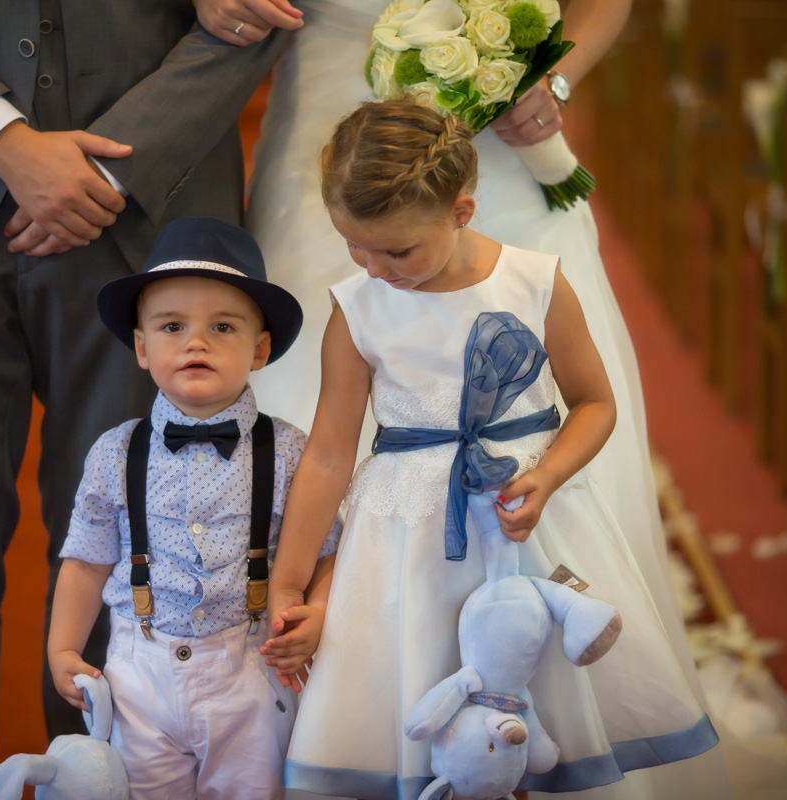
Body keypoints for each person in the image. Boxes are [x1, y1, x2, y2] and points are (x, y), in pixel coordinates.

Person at [0, 4, 291, 798]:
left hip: (154, 215)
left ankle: (105, 782)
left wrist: (113, 169)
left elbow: (259, 11)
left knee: (141, 543)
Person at [260, 100, 730, 799]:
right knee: (423, 704)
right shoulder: (358, 307)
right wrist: (290, 582)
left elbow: (595, 403)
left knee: (535, 707)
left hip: (527, 522)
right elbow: (330, 454)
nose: (375, 268)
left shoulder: (534, 282)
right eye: (355, 246)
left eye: (397, 251)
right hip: (409, 546)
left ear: (462, 211)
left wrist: (549, 475)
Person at [48, 216, 341, 799]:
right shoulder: (115, 451)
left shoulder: (289, 451)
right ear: (142, 346)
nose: (196, 342)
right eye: (172, 325)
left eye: (223, 326)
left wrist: (320, 610)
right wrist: (63, 647)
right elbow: (86, 560)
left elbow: (327, 549)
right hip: (140, 671)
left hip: (251, 669)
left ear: (260, 349)